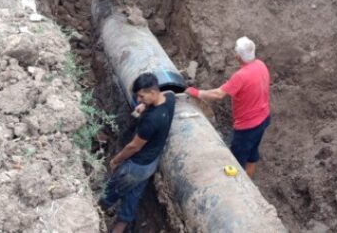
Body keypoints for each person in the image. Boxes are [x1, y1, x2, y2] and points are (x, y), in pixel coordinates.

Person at [99, 72, 176, 233]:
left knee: (111, 193)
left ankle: (92, 216)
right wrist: (145, 105)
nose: (138, 100)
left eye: (141, 97)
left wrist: (115, 160)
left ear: (153, 92)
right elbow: (170, 92)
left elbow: (133, 146)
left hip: (135, 167)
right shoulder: (169, 101)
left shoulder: (151, 120)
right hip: (150, 165)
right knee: (131, 201)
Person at [185, 36, 270, 178]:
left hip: (247, 127)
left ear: (237, 56)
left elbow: (218, 94)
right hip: (264, 119)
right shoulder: (260, 65)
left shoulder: (241, 76)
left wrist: (197, 93)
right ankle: (250, 179)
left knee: (235, 162)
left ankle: (240, 188)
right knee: (252, 152)